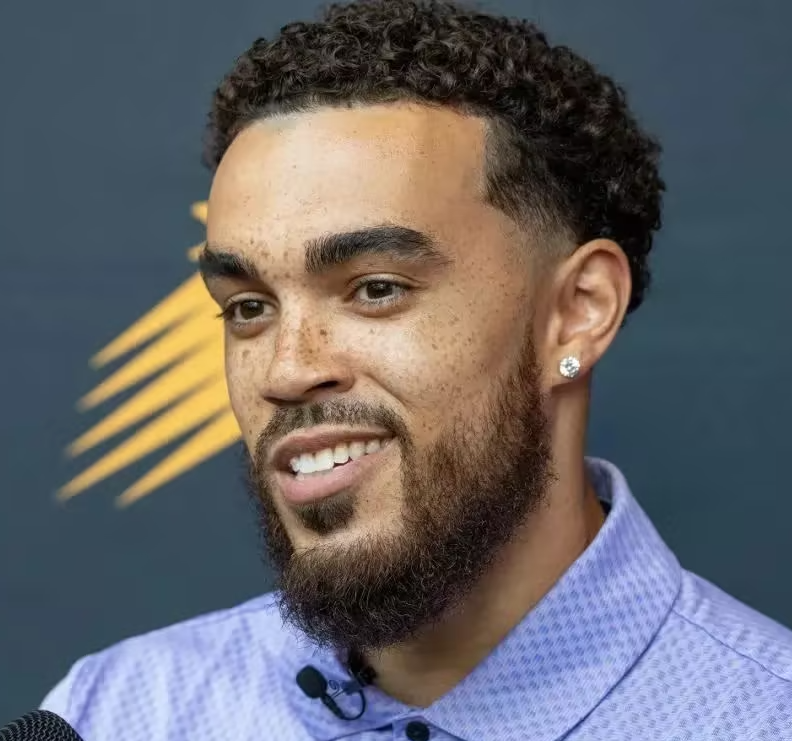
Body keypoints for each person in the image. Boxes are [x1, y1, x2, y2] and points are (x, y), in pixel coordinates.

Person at [42, 1, 792, 738]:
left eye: (376, 289)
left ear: (576, 313)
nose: (287, 369)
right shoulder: (111, 713)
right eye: (248, 307)